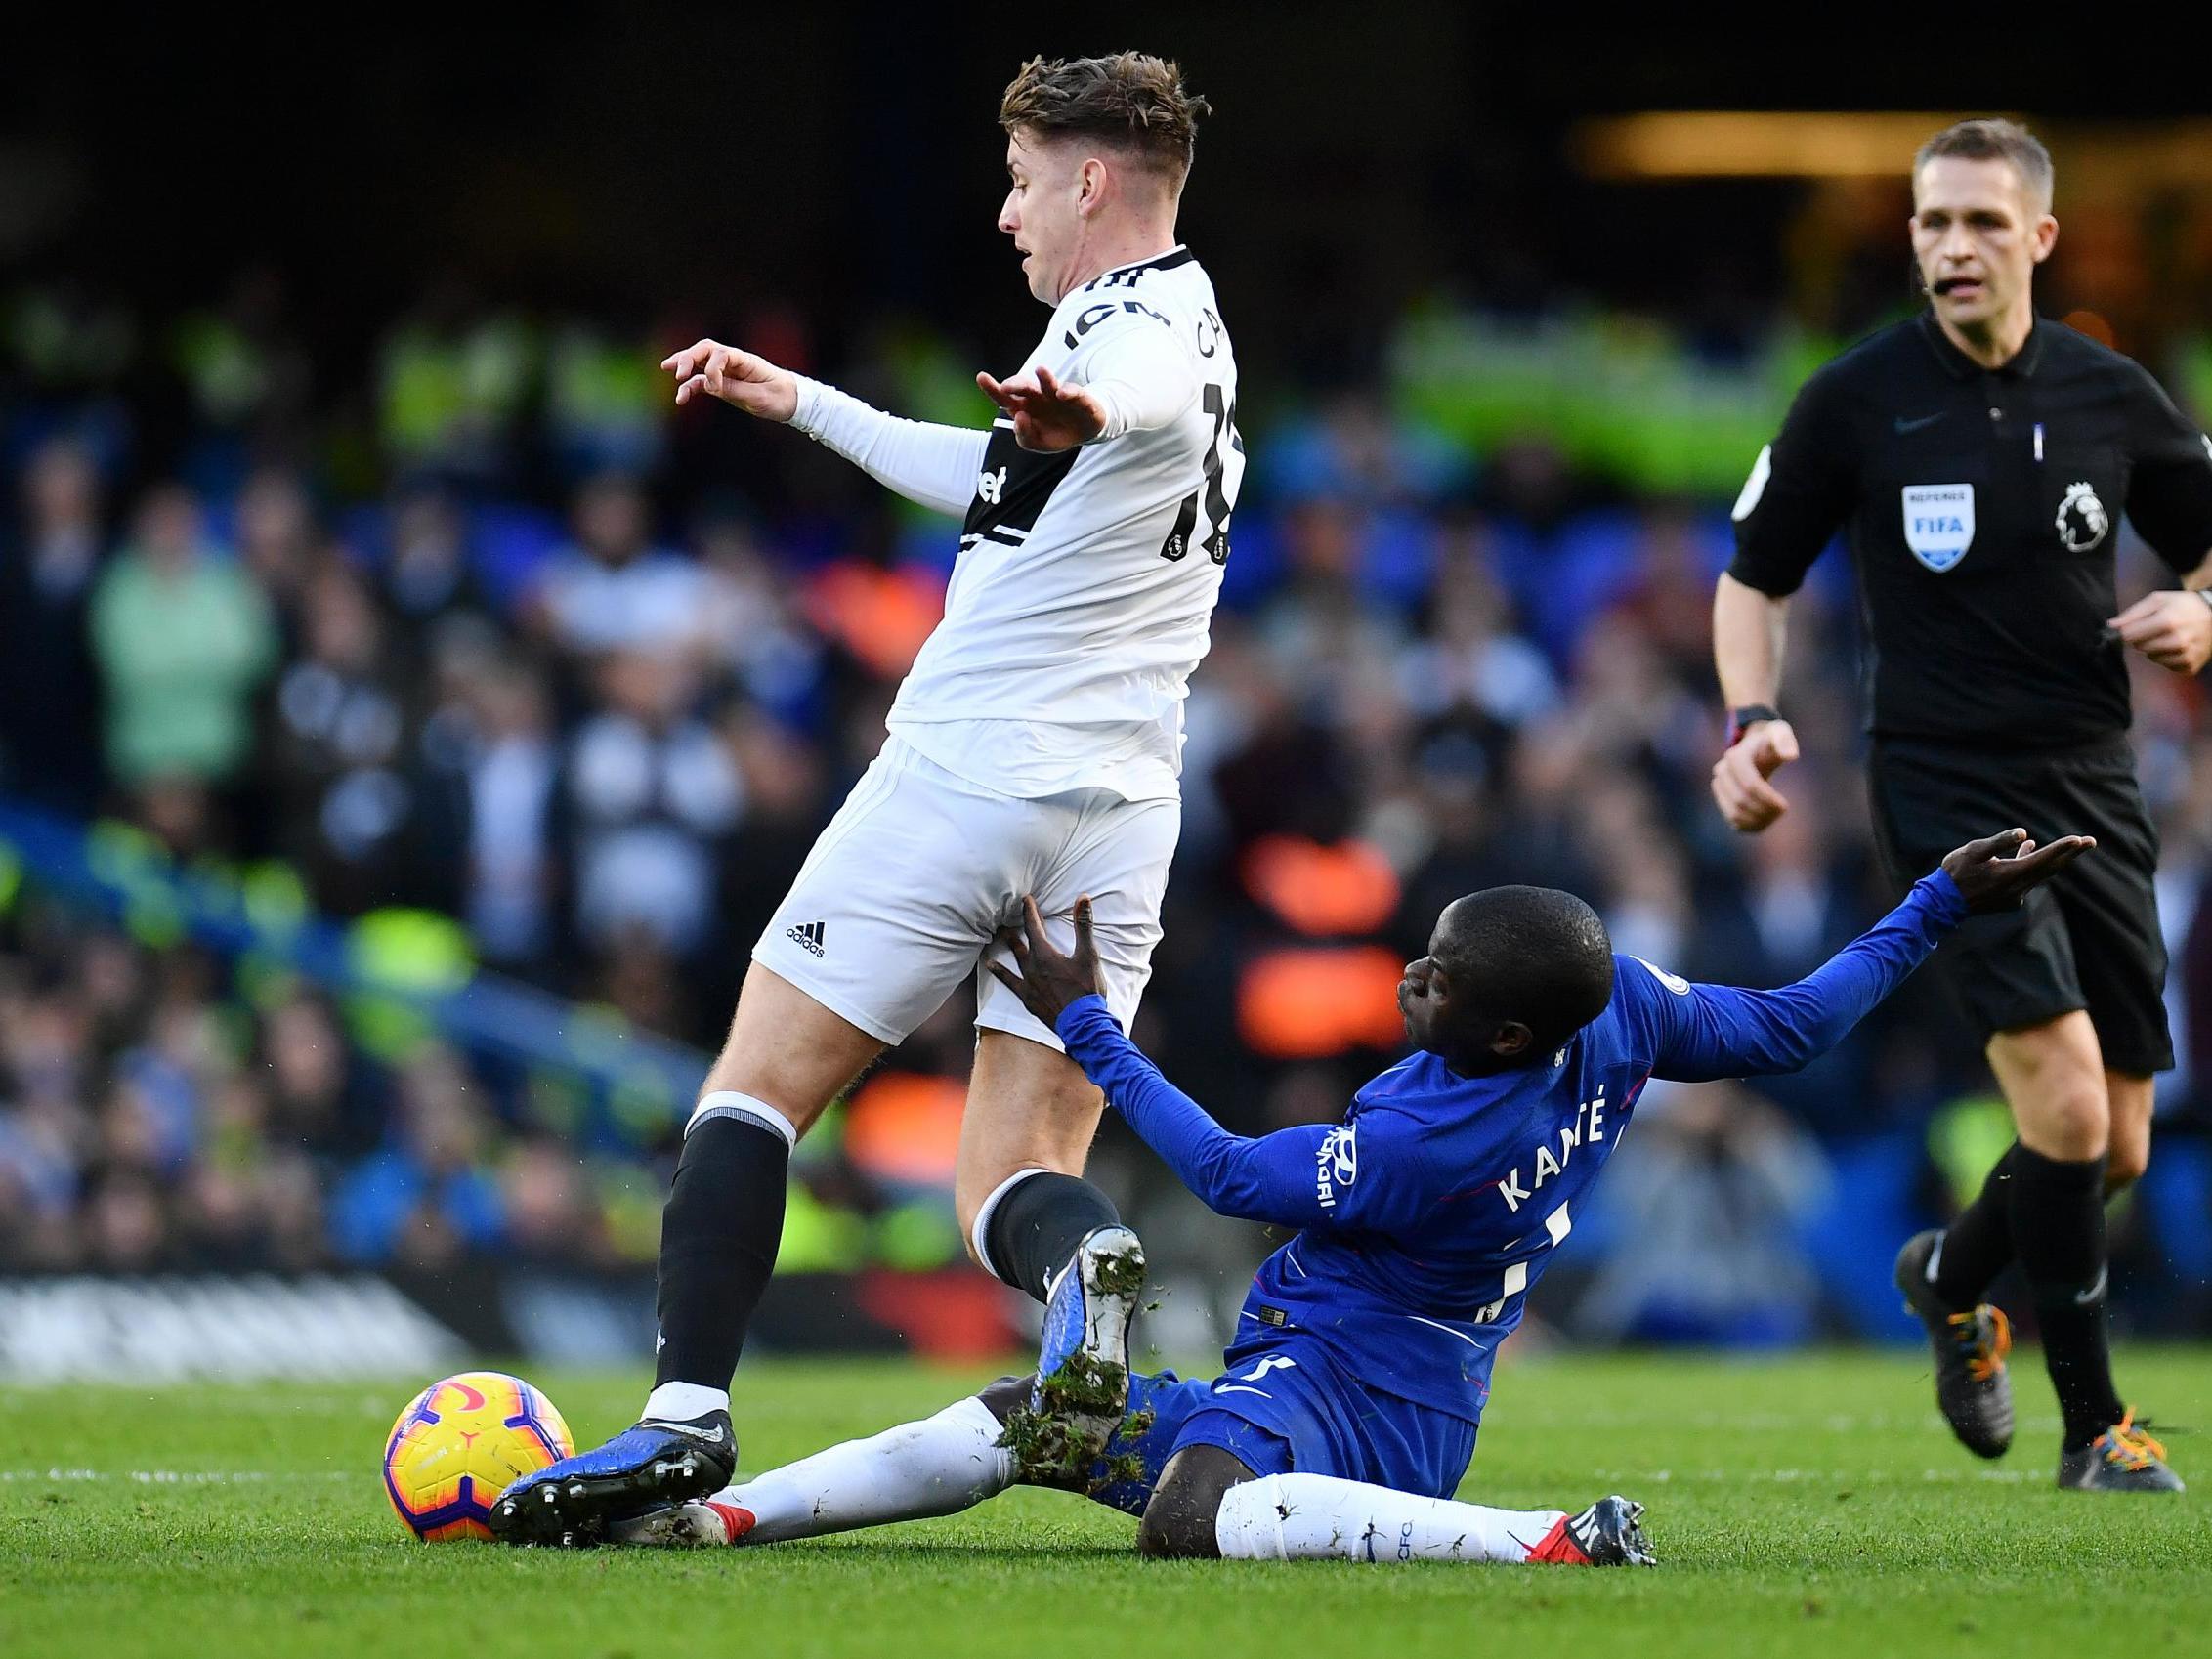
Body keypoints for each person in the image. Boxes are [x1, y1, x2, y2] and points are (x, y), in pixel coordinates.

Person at [493, 52, 1245, 1545]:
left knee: (753, 1085)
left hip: (969, 775)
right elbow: (998, 470)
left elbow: (1127, 399)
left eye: (1027, 180)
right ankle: (1090, 1267)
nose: (1006, 212)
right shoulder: (1189, 326)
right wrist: (803, 404)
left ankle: (684, 1419)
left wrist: (1076, 404)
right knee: (1013, 1173)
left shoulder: (1132, 331)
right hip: (1117, 814)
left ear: (1092, 182)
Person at [608, 830, 2085, 1565]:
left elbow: (1234, 1175)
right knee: (1028, 1418)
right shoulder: (1619, 1008)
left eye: (1438, 977)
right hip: (1386, 1379)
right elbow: (1794, 1024)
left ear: (1506, 1033)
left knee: (1188, 1513)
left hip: (1343, 1388)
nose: (1412, 975)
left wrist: (1086, 1021)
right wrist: (1937, 902)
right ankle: (724, 1521)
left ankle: (1547, 1538)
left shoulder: (1432, 1135)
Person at [1711, 118, 2212, 1492]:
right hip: (1945, 789)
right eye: (1933, 222)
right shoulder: (1859, 400)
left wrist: (2203, 608)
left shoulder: (2110, 393)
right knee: (2059, 1117)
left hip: (2094, 783)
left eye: (1984, 223)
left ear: (2039, 238)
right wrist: (1751, 721)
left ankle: (1951, 1273)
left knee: (2116, 1143)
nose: (1953, 247)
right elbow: (1752, 577)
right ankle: (2096, 1429)